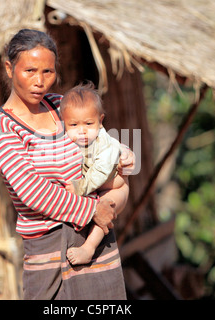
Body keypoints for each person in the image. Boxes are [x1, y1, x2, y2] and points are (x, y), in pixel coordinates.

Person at [0, 29, 134, 300]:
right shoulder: (3, 127)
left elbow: (103, 149)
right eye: (30, 70)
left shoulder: (61, 107)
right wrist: (93, 209)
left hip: (95, 241)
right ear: (9, 68)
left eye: (48, 72)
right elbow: (32, 191)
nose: (40, 81)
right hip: (49, 251)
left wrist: (123, 156)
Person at [60, 82, 127, 265]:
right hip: (97, 185)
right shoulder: (68, 140)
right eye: (73, 124)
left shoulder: (105, 144)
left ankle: (88, 248)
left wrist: (79, 187)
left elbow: (100, 171)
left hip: (112, 184)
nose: (81, 131)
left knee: (105, 209)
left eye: (89, 124)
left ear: (100, 121)